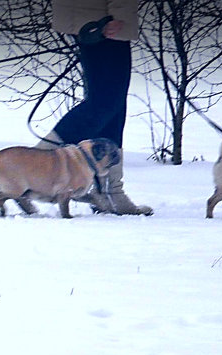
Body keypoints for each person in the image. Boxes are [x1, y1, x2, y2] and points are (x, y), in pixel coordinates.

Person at [37, 0, 153, 216]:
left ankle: (109, 191)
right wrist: (118, 14)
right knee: (106, 101)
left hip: (92, 14)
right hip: (100, 15)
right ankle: (34, 163)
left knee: (111, 103)